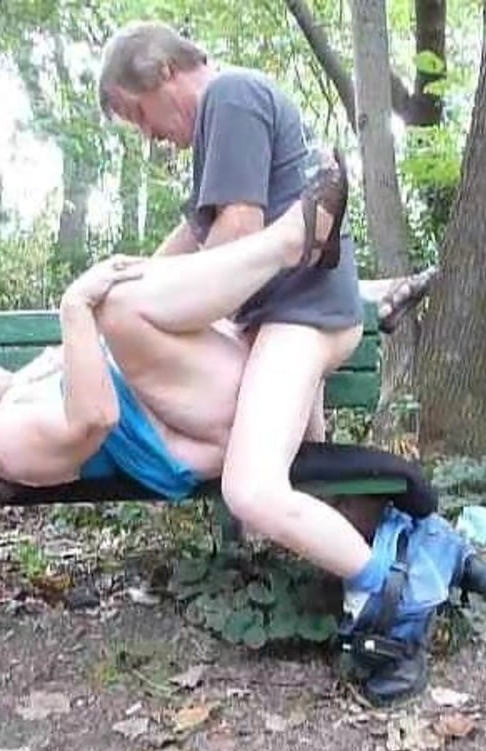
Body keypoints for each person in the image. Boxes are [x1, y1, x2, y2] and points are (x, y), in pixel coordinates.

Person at [0, 158, 426, 602]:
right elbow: (96, 417)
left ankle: (356, 291)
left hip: (230, 404)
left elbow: (117, 333)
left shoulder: (15, 393)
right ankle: (292, 244)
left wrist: (190, 232)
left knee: (132, 300)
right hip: (218, 433)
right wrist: (74, 305)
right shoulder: (1, 439)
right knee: (118, 309)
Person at [94, 21, 428, 618]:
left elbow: (236, 231)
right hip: (288, 310)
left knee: (250, 489)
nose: (149, 135)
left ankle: (398, 592)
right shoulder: (221, 119)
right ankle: (372, 557)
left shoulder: (231, 95)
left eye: (139, 113)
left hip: (299, 316)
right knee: (303, 466)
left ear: (165, 72)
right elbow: (196, 233)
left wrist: (153, 304)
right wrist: (127, 277)